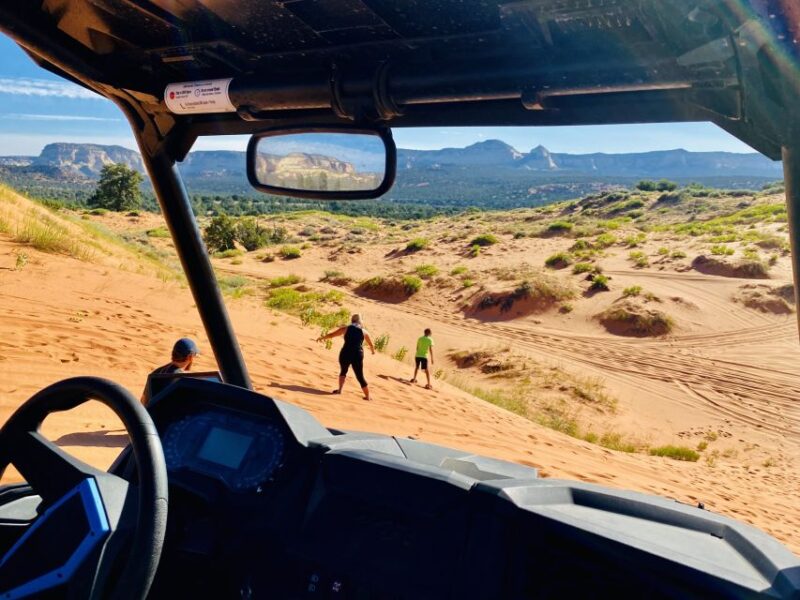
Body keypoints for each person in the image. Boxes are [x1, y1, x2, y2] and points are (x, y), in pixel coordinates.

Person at [317, 314, 375, 400]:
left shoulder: (346, 328)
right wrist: (373, 351)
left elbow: (332, 335)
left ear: (352, 320)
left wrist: (322, 338)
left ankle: (340, 390)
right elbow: (371, 344)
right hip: (357, 354)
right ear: (360, 321)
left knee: (343, 371)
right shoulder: (364, 332)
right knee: (360, 375)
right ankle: (367, 396)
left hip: (346, 352)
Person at [141, 337, 199, 404]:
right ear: (190, 357)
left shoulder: (157, 372)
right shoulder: (179, 380)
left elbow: (143, 400)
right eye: (194, 355)